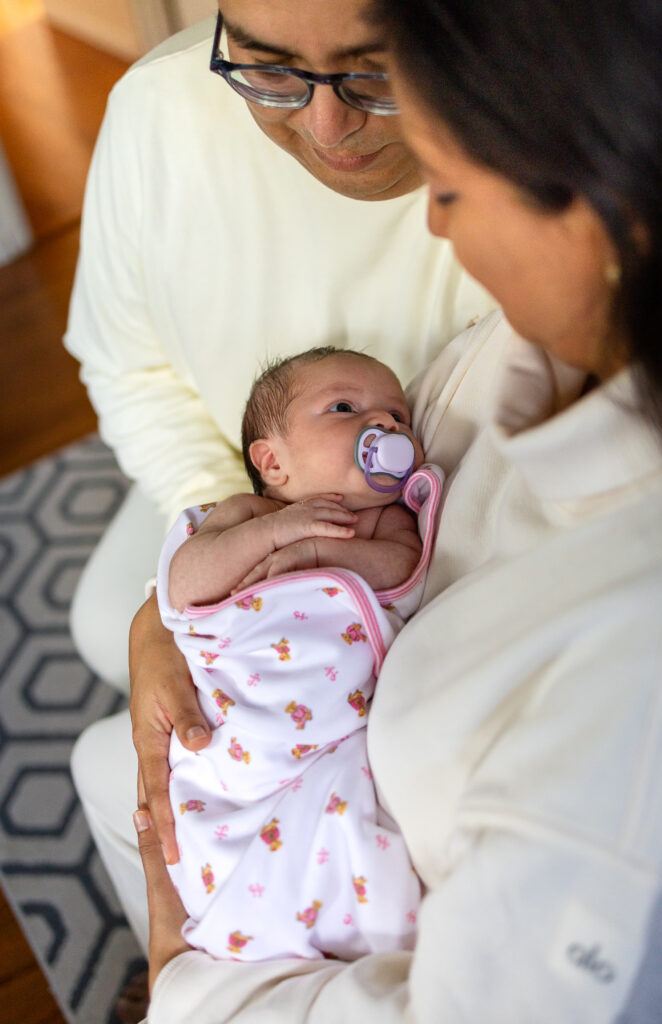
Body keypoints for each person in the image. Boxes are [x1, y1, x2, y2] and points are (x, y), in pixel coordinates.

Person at [127, 0, 662, 1020]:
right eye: (266, 66)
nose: (430, 218)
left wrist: (180, 976)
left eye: (452, 185)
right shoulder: (523, 346)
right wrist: (169, 609)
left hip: (307, 905)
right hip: (267, 749)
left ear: (606, 205)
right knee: (103, 771)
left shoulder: (638, 697)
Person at [64, 0, 495, 696]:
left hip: (460, 567)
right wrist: (235, 530)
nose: (328, 127)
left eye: (377, 74)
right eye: (268, 70)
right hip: (240, 495)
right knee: (105, 626)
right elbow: (128, 365)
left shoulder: (551, 175)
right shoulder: (157, 112)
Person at [158, 346, 442, 961]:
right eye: (345, 407)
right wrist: (277, 532)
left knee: (353, 831)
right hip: (246, 739)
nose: (386, 426)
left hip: (340, 737)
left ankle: (340, 928)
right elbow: (185, 586)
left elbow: (401, 572)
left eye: (398, 415)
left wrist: (321, 554)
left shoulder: (387, 521)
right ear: (273, 461)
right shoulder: (244, 515)